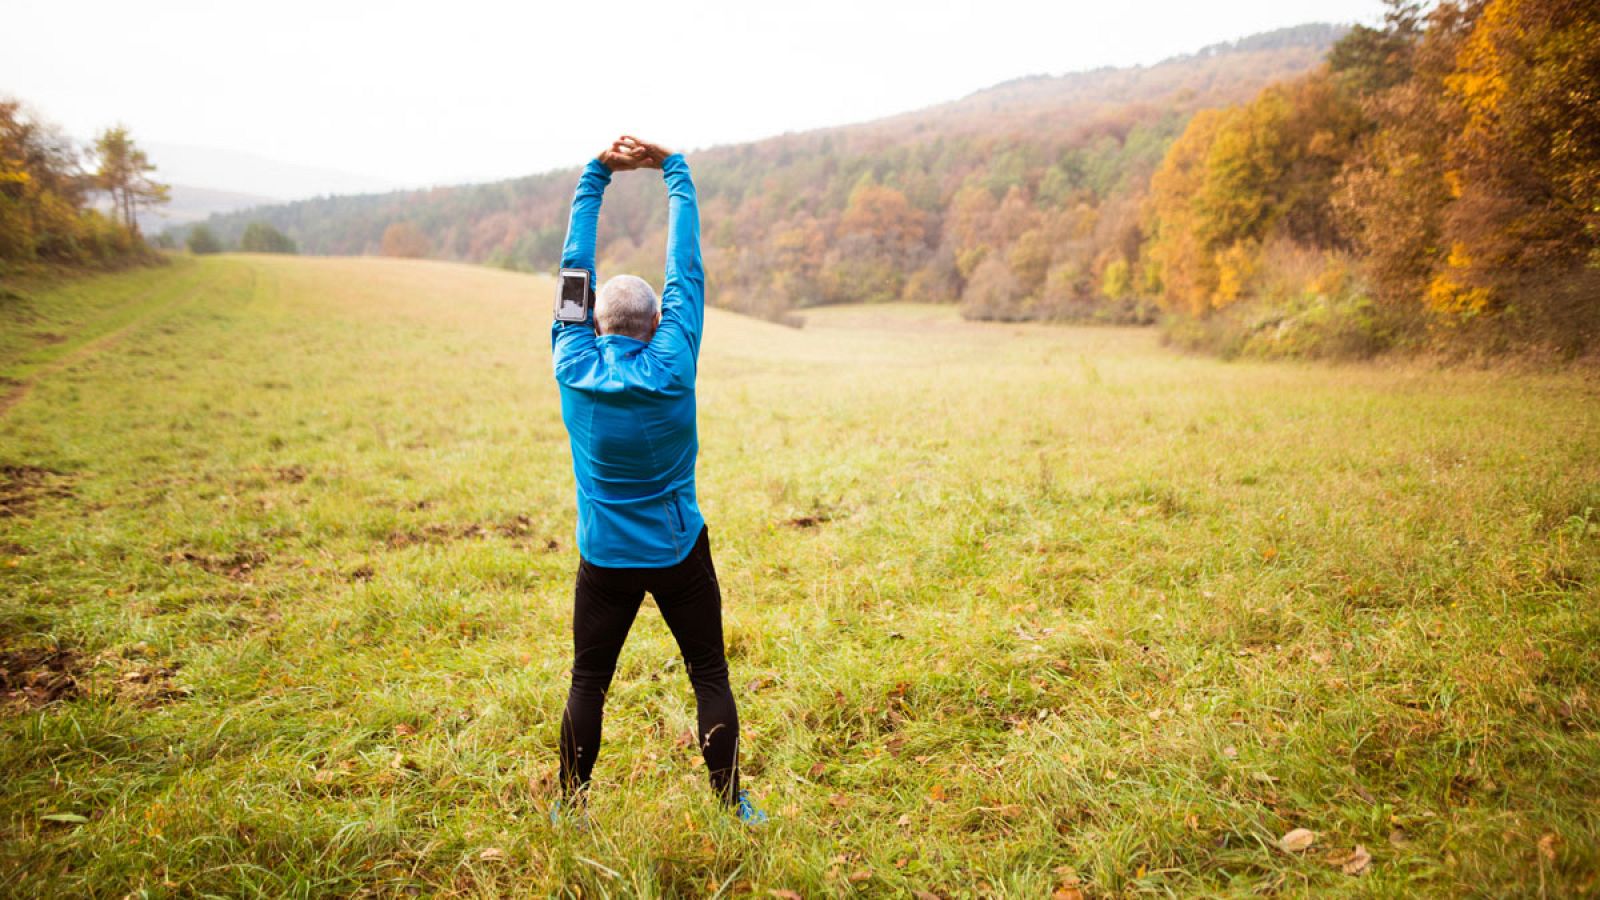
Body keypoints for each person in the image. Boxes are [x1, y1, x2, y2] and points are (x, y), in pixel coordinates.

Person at [548, 135, 766, 826]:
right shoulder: (672, 363)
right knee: (710, 675)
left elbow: (571, 268)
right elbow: (686, 272)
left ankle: (570, 807)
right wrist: (674, 171)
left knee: (589, 682)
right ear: (654, 326)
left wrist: (596, 177)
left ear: (593, 322)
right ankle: (731, 807)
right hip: (678, 552)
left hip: (604, 557)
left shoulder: (570, 361)